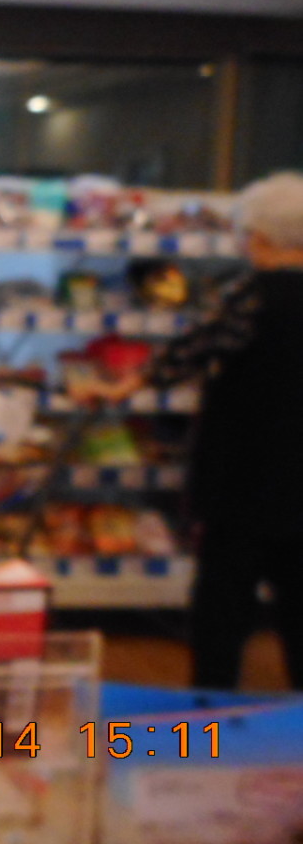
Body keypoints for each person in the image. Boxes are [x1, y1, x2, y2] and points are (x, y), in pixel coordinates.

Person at [77, 171, 303, 690]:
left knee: (224, 597)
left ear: (261, 237)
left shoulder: (252, 297)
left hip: (243, 472)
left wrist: (127, 384)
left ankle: (211, 702)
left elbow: (194, 350)